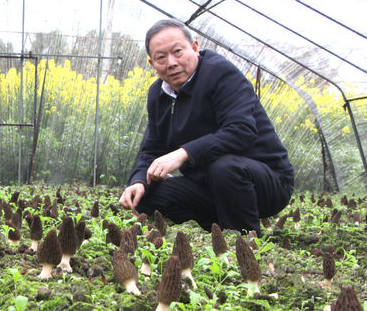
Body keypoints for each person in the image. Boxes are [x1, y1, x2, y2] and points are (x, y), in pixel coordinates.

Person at [119, 19, 294, 235]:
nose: (171, 63)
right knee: (146, 195)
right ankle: (219, 224)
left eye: (178, 52)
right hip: (209, 186)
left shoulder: (220, 74)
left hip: (264, 182)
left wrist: (183, 153)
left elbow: (241, 131)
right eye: (161, 57)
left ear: (194, 48)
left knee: (224, 167)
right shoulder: (158, 94)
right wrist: (138, 181)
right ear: (152, 63)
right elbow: (152, 148)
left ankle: (244, 239)